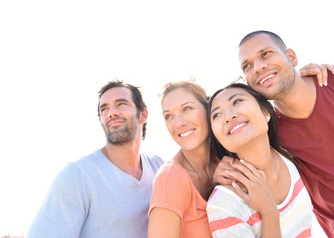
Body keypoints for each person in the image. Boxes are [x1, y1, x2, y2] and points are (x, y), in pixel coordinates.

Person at [216, 30, 334, 237]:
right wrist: (220, 166)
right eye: (247, 66)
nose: (258, 67)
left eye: (266, 54)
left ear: (291, 57)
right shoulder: (270, 133)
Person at [27, 80, 163, 238]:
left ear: (143, 114)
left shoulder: (159, 168)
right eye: (104, 109)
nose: (111, 112)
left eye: (121, 104)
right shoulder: (77, 176)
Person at [207, 83, 313, 237]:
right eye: (217, 115)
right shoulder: (224, 204)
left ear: (266, 113)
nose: (229, 116)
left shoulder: (289, 152)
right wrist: (269, 212)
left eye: (237, 101)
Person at [148, 81, 218, 238]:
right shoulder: (170, 179)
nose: (179, 123)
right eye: (168, 116)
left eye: (187, 108)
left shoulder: (226, 160)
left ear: (208, 109)